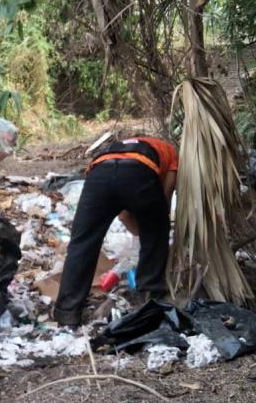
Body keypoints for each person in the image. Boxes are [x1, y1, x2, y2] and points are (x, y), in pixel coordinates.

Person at [52, 136, 179, 326]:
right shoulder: (172, 154)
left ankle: (67, 312)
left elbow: (123, 215)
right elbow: (164, 202)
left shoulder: (119, 147)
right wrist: (148, 232)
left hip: (99, 173)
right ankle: (149, 298)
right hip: (138, 173)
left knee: (82, 243)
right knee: (157, 231)